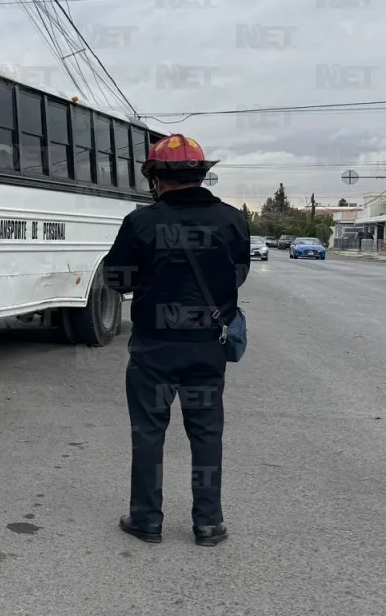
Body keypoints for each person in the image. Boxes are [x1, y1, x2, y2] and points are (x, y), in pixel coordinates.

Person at [103, 134, 251, 547]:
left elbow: (116, 280)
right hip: (207, 346)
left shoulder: (141, 222)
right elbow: (240, 273)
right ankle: (208, 523)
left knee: (148, 432)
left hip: (154, 348)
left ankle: (146, 520)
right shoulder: (232, 220)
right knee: (206, 432)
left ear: (155, 177)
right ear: (201, 174)